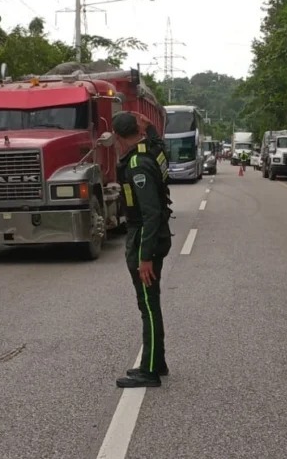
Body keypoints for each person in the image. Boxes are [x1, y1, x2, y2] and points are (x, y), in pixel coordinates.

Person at [112, 111, 173, 388]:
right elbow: (161, 148)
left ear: (117, 137)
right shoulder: (151, 150)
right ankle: (156, 362)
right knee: (151, 304)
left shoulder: (136, 164)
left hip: (144, 238)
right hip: (153, 236)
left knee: (147, 305)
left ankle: (149, 371)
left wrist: (144, 256)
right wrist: (151, 131)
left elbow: (150, 213)